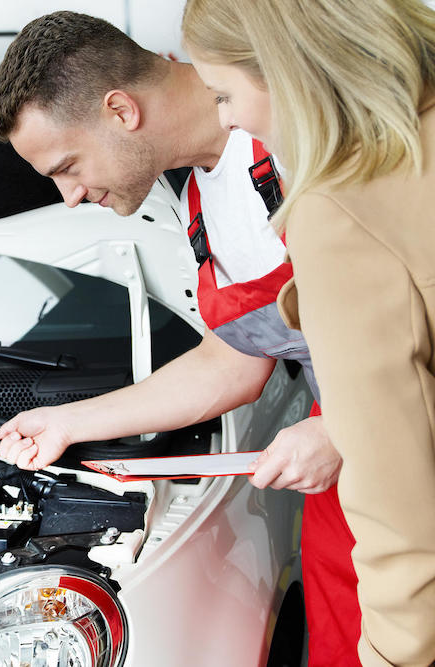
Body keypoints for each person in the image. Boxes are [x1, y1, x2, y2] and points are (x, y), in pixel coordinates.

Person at [0, 11, 358, 665]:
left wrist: (347, 426)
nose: (68, 196)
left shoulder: (312, 134)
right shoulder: (197, 201)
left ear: (122, 109)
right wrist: (66, 422)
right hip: (343, 495)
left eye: (67, 165)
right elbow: (235, 360)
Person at [181, 1, 435, 665]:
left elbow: (397, 492)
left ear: (286, 69)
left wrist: (393, 654)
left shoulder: (344, 202)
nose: (229, 118)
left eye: (226, 94)